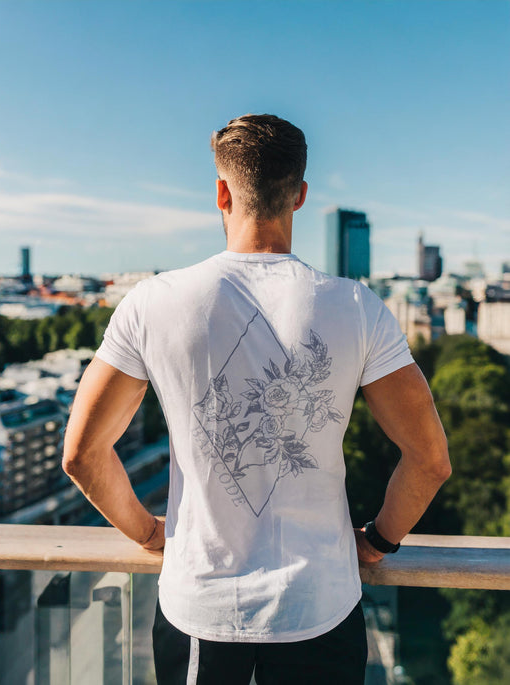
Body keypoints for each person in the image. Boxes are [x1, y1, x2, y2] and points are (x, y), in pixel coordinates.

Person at [63, 114, 451, 684]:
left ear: (222, 191)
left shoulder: (152, 303)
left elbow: (82, 454)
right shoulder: (356, 306)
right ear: (299, 195)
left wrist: (151, 533)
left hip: (203, 611)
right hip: (322, 607)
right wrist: (379, 539)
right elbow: (430, 459)